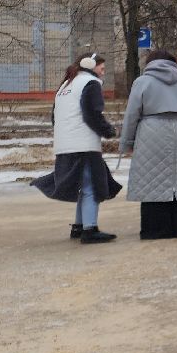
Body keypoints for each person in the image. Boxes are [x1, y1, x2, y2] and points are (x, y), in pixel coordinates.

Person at [34, 54, 121, 243]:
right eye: (101, 68)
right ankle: (90, 230)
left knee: (84, 186)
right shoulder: (90, 83)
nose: (103, 72)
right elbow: (92, 114)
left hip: (65, 145)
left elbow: (55, 118)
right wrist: (109, 131)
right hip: (84, 145)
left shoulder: (66, 85)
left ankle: (79, 226)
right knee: (92, 186)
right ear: (90, 66)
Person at [119, 50, 177, 239]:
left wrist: (127, 142)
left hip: (151, 131)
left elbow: (132, 114)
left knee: (152, 178)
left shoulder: (143, 81)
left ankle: (155, 228)